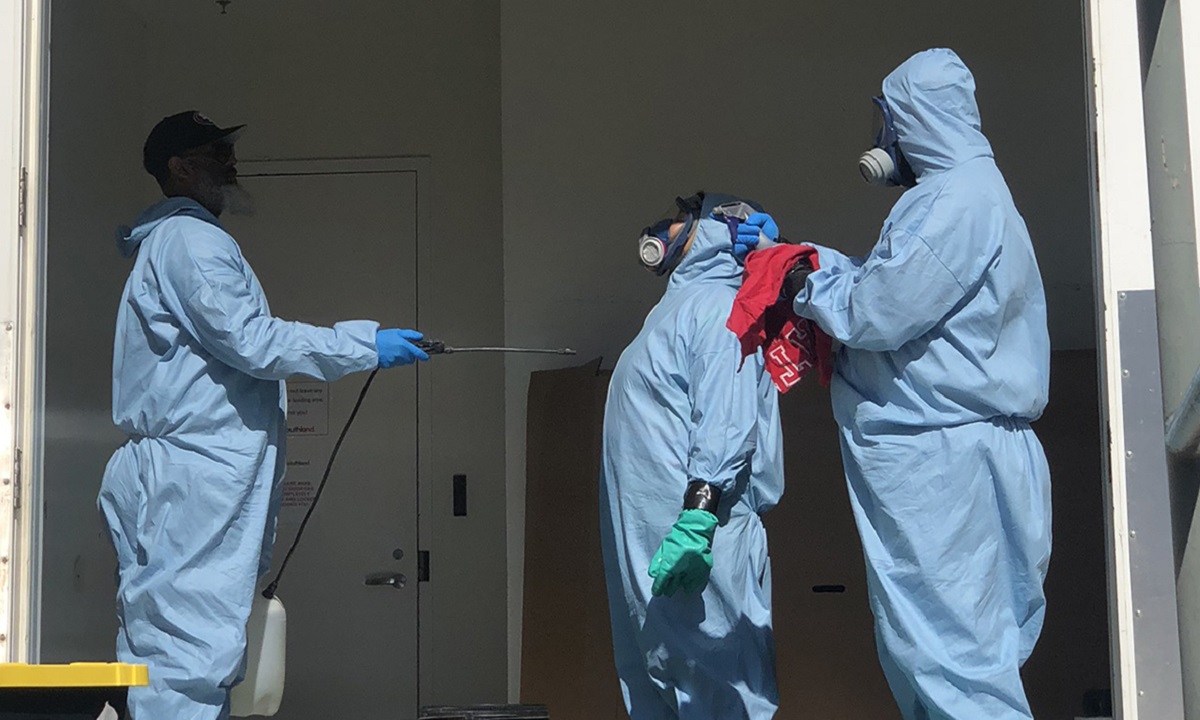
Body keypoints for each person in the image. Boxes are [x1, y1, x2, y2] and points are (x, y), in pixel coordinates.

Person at [746, 48, 1053, 719]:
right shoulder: (975, 194)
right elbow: (896, 282)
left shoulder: (951, 200)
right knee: (961, 658)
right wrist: (817, 264)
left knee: (952, 665)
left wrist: (802, 283)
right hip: (968, 450)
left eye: (888, 123)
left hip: (939, 461)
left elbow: (877, 311)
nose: (884, 141)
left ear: (914, 121)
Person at [97, 110, 428, 720]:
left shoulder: (172, 241)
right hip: (195, 477)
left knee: (173, 648)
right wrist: (361, 345)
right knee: (191, 654)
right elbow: (248, 339)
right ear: (179, 167)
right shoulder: (191, 240)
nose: (232, 164)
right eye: (216, 153)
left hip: (183, 474)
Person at [600, 192, 784, 719]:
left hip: (696, 542)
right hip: (653, 544)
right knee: (661, 685)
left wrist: (698, 518)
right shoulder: (673, 312)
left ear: (719, 226)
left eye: (685, 216)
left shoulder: (719, 309)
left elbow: (726, 420)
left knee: (718, 689)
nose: (668, 224)